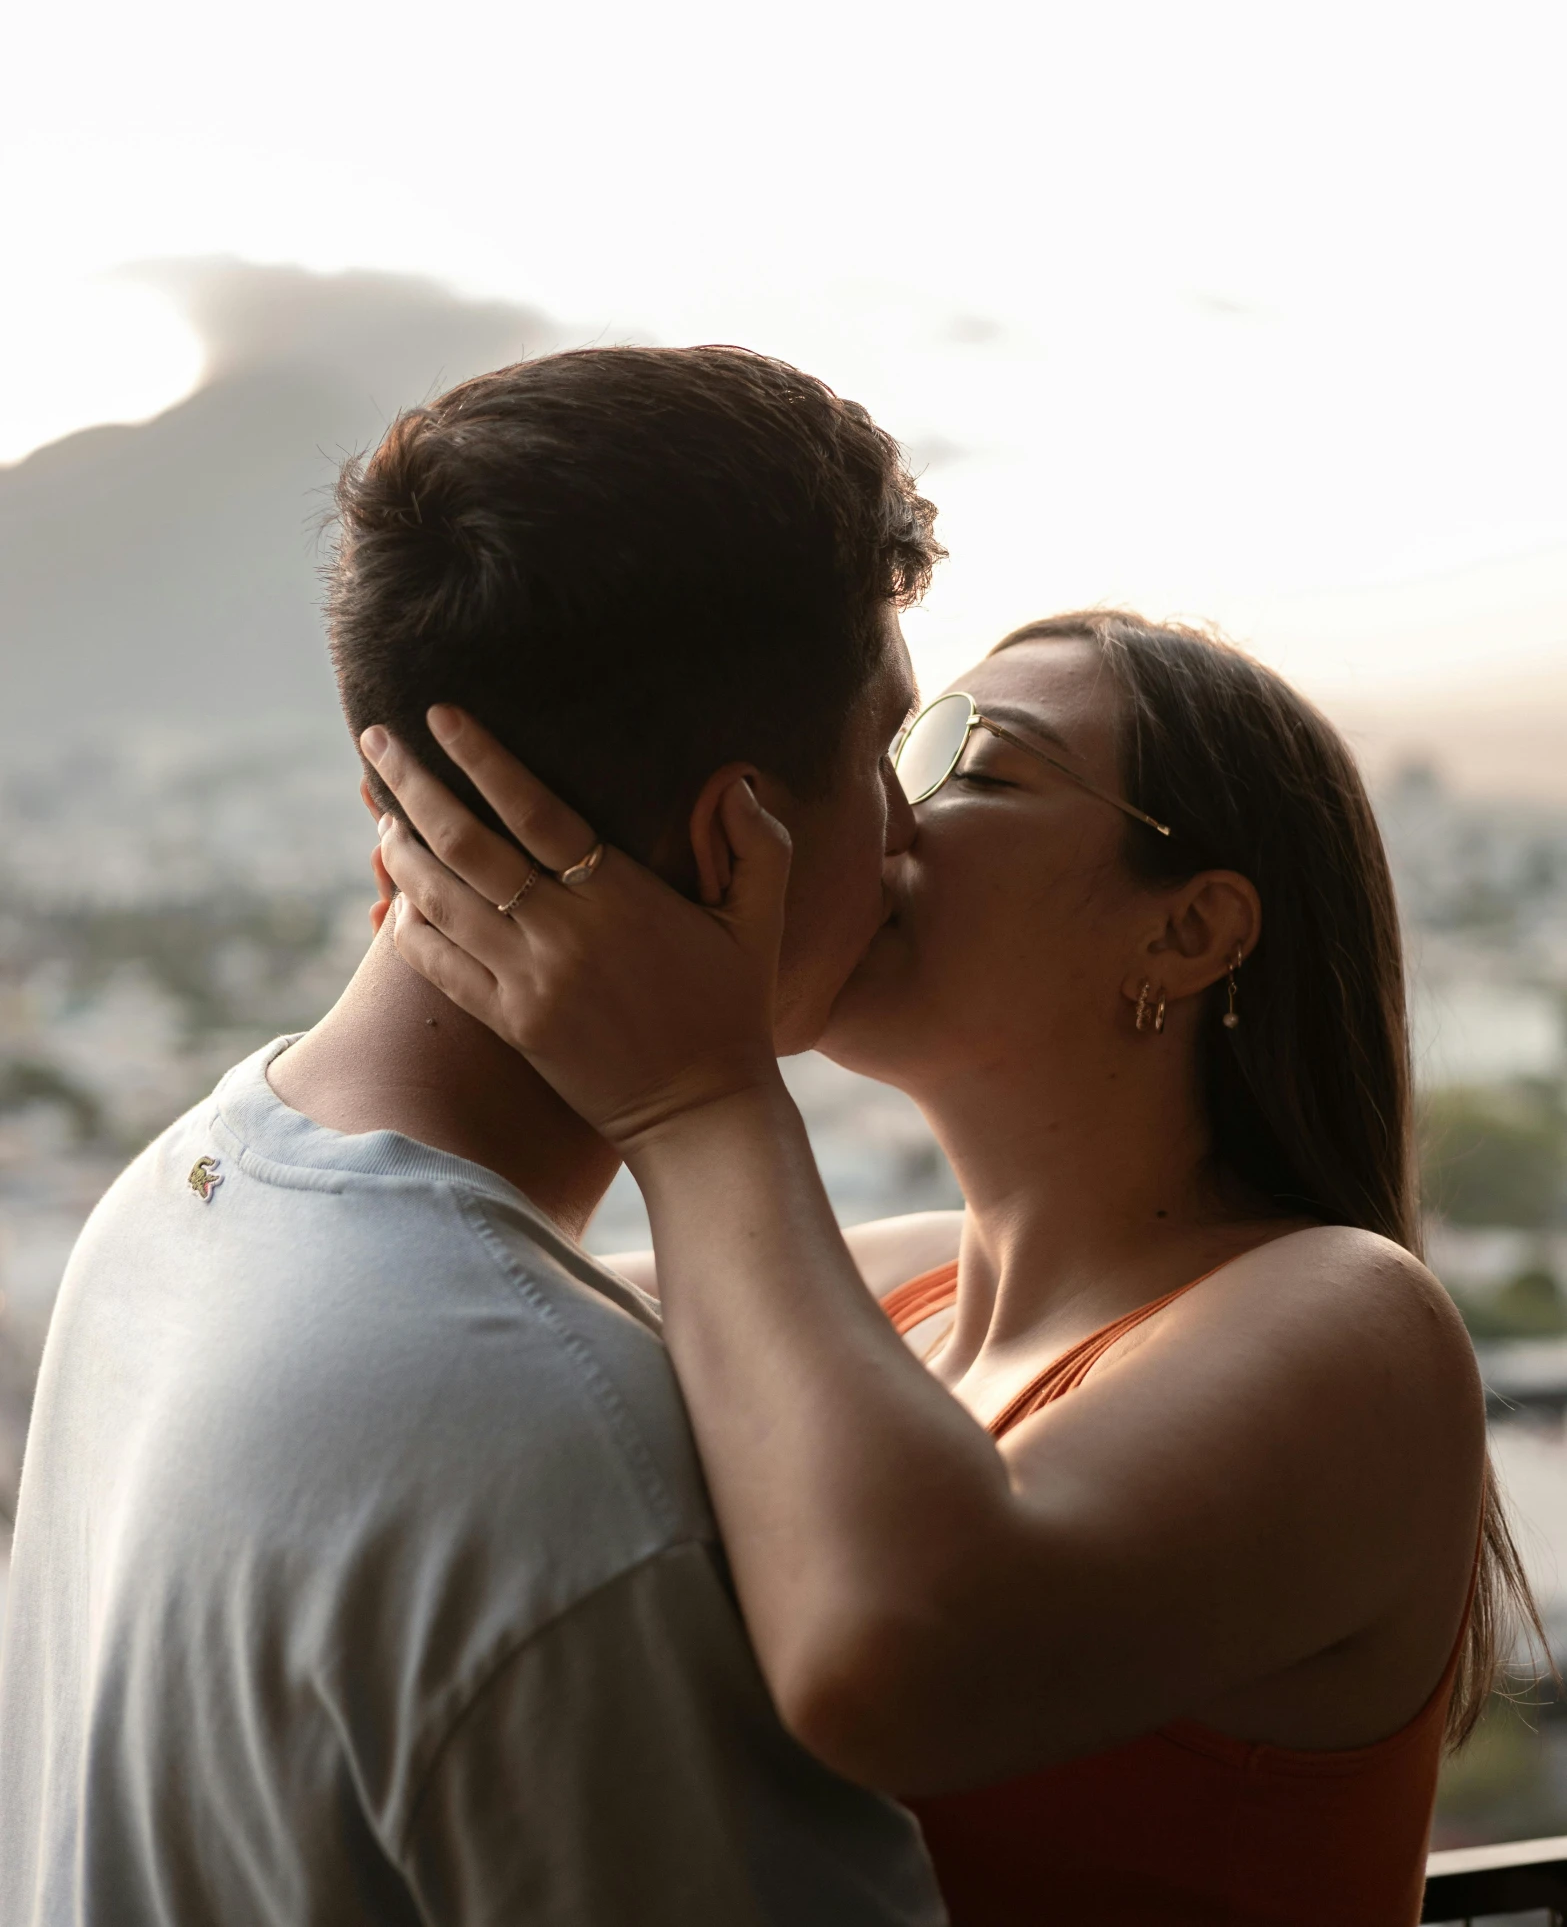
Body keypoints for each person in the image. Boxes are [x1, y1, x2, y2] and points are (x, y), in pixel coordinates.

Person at [364, 608, 1541, 1927]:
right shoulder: (888, 1291)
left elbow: (898, 1656)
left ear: (1188, 930)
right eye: (890, 757)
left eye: (971, 767)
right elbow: (435, 1317)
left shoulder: (1351, 1320)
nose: (879, 819)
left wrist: (701, 1104)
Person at [0, 346, 951, 1927]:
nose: (913, 831)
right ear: (736, 843)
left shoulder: (176, 1195)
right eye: (884, 756)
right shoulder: (559, 1448)